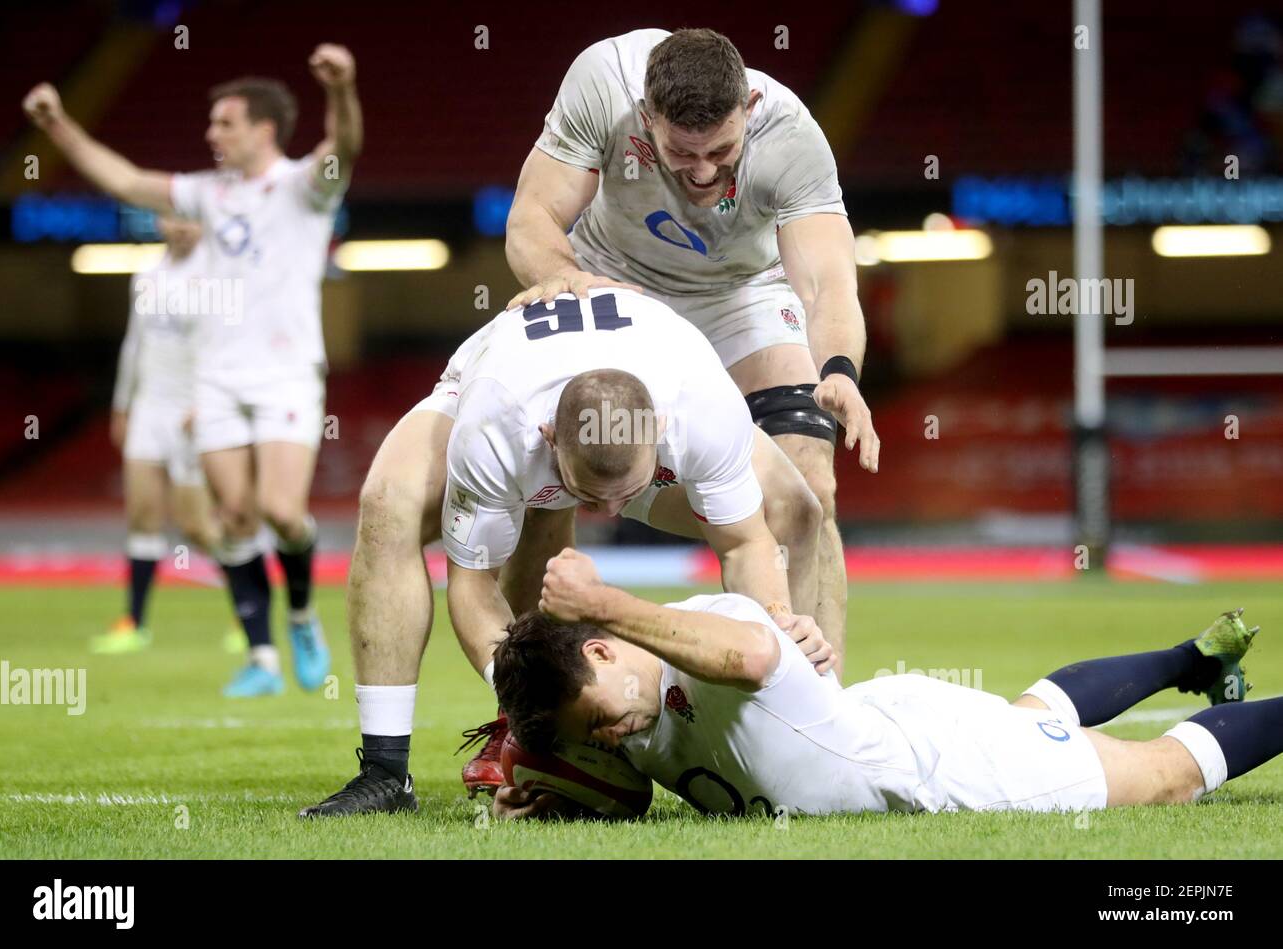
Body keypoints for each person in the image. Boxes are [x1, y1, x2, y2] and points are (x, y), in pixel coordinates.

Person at [299, 287, 831, 817]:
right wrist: (531, 703)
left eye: (625, 494)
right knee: (388, 502)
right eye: (590, 494)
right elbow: (472, 579)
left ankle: (807, 717)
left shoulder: (702, 407)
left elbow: (744, 544)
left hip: (640, 397)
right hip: (496, 377)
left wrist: (778, 626)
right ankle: (385, 772)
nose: (607, 510)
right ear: (549, 438)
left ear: (662, 432)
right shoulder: (497, 424)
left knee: (794, 510)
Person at [506, 28, 881, 676]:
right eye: (683, 152)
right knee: (555, 484)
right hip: (614, 279)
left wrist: (840, 371)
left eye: (723, 150)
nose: (705, 172)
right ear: (645, 117)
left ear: (751, 108)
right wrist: (565, 279)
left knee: (810, 483)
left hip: (743, 292)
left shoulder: (791, 135)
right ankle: (535, 703)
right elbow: (530, 220)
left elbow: (827, 282)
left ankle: (819, 705)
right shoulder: (602, 80)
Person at [24, 44, 362, 696]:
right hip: (216, 377)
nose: (211, 133)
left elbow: (343, 146)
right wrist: (55, 124)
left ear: (263, 129)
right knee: (233, 517)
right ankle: (262, 656)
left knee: (281, 512)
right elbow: (125, 181)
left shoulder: (300, 187)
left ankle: (299, 615)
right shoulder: (205, 195)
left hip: (286, 371)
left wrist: (342, 87)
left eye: (225, 122)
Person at [491, 549, 1273, 820]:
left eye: (593, 717)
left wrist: (603, 598)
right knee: (1031, 714)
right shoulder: (619, 709)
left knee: (1165, 780)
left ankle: (1201, 671)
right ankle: (1191, 657)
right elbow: (616, 790)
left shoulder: (707, 624)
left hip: (934, 768)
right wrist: (543, 787)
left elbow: (751, 659)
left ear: (603, 649)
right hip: (880, 720)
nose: (604, 737)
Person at [92, 215, 222, 654]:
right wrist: (122, 404)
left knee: (196, 526)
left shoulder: (216, 277)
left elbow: (224, 347)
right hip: (149, 408)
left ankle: (250, 612)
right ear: (160, 223)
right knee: (142, 517)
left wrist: (206, 403)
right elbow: (134, 343)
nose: (182, 227)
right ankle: (135, 622)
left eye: (191, 219)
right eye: (174, 218)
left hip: (191, 413)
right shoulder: (147, 276)